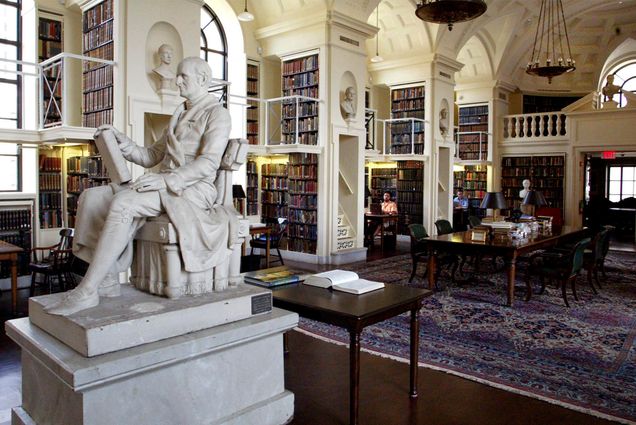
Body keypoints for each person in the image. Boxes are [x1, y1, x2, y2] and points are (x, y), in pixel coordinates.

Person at [47, 57, 236, 316]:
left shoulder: (217, 114)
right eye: (177, 75)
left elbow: (209, 163)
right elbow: (150, 156)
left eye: (183, 76)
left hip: (192, 190)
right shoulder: (179, 113)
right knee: (92, 197)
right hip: (163, 185)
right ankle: (108, 278)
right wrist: (122, 142)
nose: (177, 80)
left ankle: (88, 289)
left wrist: (166, 180)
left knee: (123, 203)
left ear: (202, 79)